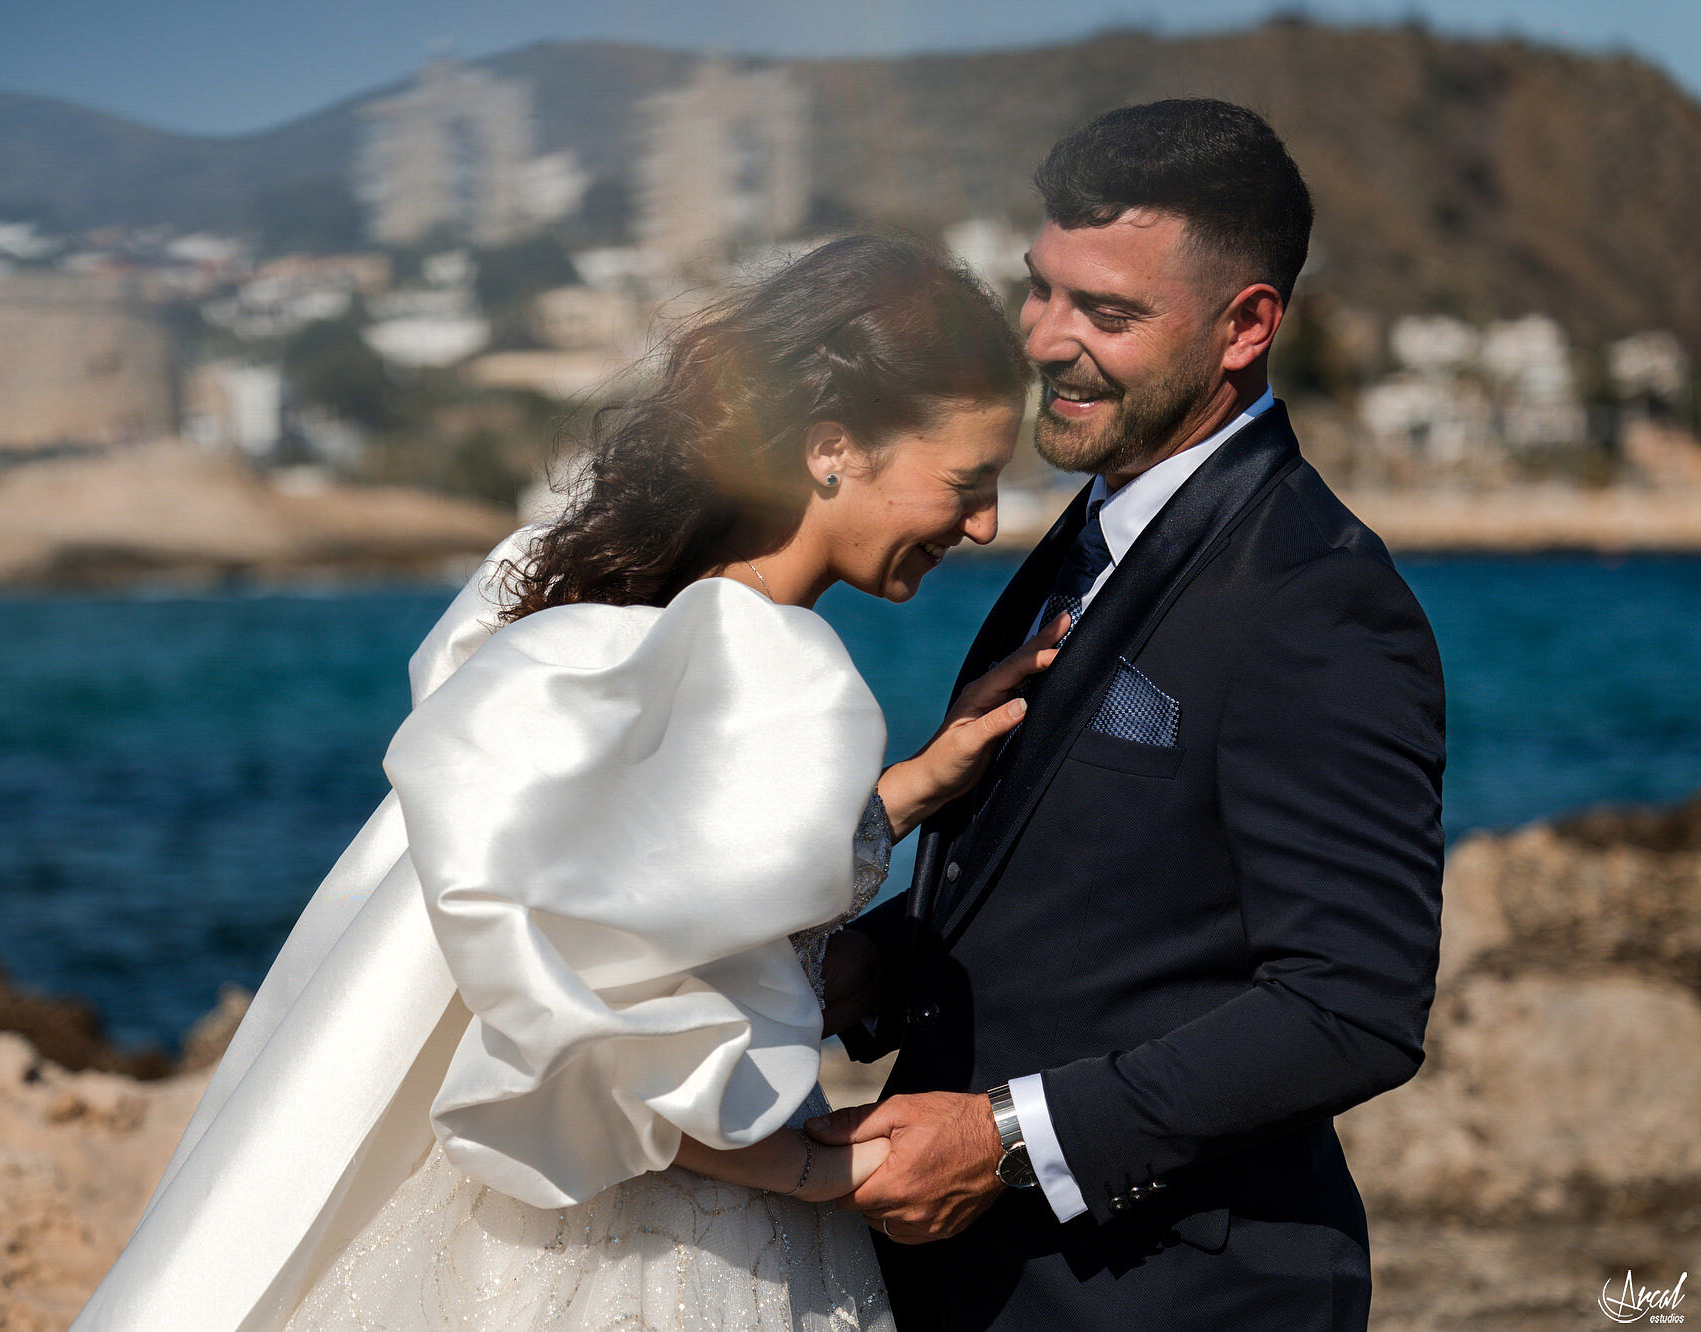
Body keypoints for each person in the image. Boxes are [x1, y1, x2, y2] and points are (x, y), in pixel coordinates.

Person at [73, 234, 1048, 1330]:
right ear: (832, 449)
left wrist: (909, 789)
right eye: (965, 483)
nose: (981, 525)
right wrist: (826, 1177)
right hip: (667, 1244)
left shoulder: (614, 622)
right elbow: (606, 1045)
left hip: (515, 1225)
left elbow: (644, 904)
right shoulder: (761, 669)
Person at [814, 100, 1448, 1330]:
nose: (1046, 341)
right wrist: (855, 970)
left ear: (1243, 326)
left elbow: (1350, 1006)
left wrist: (1005, 1140)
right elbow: (1081, 893)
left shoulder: (1315, 601)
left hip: (1172, 1293)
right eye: (1038, 290)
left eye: (1106, 314)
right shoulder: (1091, 531)